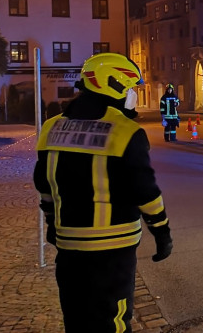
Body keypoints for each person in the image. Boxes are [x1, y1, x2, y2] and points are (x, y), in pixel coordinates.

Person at [33, 53, 173, 333]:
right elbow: (145, 192)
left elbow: (45, 185)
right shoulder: (125, 131)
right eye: (131, 88)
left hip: (69, 249)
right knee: (114, 323)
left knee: (77, 320)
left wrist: (52, 224)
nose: (133, 95)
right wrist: (162, 233)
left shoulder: (51, 127)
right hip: (113, 253)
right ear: (115, 85)